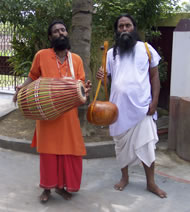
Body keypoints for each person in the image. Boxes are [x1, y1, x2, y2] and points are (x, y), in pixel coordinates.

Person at [13, 20, 92, 203]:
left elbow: (80, 87)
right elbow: (32, 77)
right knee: (48, 154)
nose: (61, 33)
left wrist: (85, 92)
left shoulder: (76, 60)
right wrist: (21, 91)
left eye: (63, 30)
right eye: (56, 31)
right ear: (51, 37)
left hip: (68, 115)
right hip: (46, 114)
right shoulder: (42, 55)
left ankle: (61, 186)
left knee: (69, 152)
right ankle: (47, 188)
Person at [96, 14, 167, 198]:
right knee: (120, 146)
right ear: (117, 30)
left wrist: (155, 101)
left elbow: (154, 77)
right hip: (118, 110)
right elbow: (107, 82)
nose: (124, 29)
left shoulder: (146, 49)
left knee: (147, 147)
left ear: (134, 28)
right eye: (121, 26)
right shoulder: (111, 53)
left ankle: (151, 183)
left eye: (128, 25)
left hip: (143, 108)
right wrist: (101, 76)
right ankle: (124, 178)